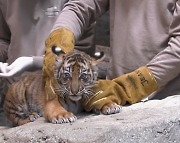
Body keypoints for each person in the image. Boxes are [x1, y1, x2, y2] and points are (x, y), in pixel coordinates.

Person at [42, 0, 180, 111]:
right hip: (113, 97)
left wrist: (129, 87)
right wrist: (60, 37)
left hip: (165, 102)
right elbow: (80, 6)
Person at [0, 0, 96, 106]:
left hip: (60, 93)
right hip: (16, 95)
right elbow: (4, 39)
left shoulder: (77, 5)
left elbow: (82, 56)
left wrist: (33, 62)